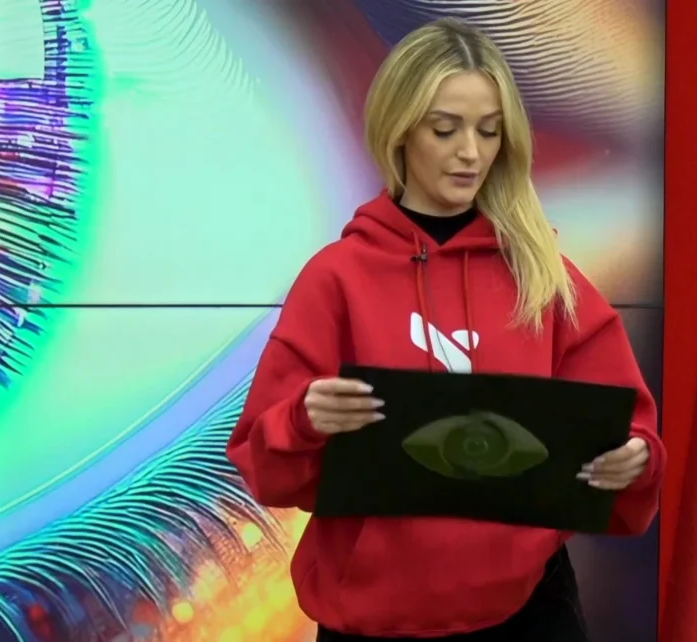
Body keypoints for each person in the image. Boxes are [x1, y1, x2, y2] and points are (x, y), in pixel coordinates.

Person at [226, 16, 666, 642]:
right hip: (373, 624)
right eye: (445, 128)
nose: (470, 153)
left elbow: (631, 436)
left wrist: (634, 459)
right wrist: (304, 418)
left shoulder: (545, 276)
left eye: (488, 131)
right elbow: (262, 462)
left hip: (530, 618)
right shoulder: (336, 279)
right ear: (400, 129)